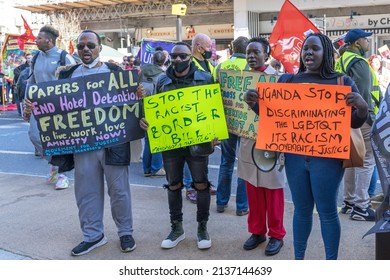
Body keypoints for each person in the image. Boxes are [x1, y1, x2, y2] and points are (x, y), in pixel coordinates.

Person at [245, 33, 368, 259]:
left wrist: (362, 108)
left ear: (327, 53)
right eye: (305, 49)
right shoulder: (287, 81)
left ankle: (330, 261)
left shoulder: (342, 82)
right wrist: (254, 105)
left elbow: (353, 122)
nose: (308, 52)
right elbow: (273, 119)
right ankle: (298, 260)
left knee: (327, 212)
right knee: (301, 211)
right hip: (295, 159)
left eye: (315, 48)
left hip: (328, 160)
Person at [57, 30, 136, 256]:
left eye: (90, 45)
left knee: (119, 191)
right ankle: (93, 236)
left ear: (99, 47)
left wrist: (138, 94)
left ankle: (125, 233)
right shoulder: (67, 75)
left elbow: (132, 104)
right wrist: (34, 108)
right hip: (83, 145)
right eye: (81, 46)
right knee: (86, 192)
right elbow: (53, 108)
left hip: (114, 144)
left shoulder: (116, 72)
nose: (85, 49)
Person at [139, 42, 216, 250]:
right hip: (171, 142)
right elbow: (153, 110)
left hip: (198, 142)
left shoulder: (206, 79)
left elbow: (214, 109)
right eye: (174, 56)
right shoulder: (162, 81)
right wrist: (145, 120)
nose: (177, 60)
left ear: (190, 57)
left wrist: (216, 133)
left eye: (182, 56)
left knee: (201, 184)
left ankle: (202, 228)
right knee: (173, 185)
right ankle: (177, 228)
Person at [238, 37, 286, 256]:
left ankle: (276, 234)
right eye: (248, 52)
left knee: (273, 189)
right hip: (248, 140)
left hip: (272, 142)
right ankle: (257, 231)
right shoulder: (237, 80)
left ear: (266, 54)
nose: (251, 56)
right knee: (253, 188)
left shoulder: (278, 80)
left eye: (256, 52)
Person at [23, 25, 76, 190]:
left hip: (60, 107)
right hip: (39, 105)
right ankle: (54, 163)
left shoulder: (65, 57)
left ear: (49, 40)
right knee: (35, 136)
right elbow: (31, 82)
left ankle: (62, 175)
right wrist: (27, 103)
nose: (35, 40)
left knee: (60, 141)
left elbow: (75, 83)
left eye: (39, 38)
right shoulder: (36, 57)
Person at [337, 29, 381, 221]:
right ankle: (361, 207)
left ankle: (349, 202)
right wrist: (369, 117)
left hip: (346, 118)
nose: (367, 42)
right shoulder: (359, 62)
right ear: (356, 43)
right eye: (365, 39)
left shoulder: (341, 60)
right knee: (365, 160)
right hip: (362, 118)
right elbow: (362, 95)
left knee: (351, 160)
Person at [214, 36, 249, 216]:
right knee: (244, 164)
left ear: (232, 48)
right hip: (245, 123)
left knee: (226, 162)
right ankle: (242, 206)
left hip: (226, 121)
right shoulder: (251, 67)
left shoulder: (220, 66)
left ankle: (221, 202)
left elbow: (213, 92)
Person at [139, 50, 167, 177]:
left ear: (152, 59)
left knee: (148, 140)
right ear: (164, 61)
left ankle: (146, 169)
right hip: (157, 110)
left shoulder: (141, 73)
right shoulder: (163, 75)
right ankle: (156, 168)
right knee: (158, 140)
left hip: (143, 109)